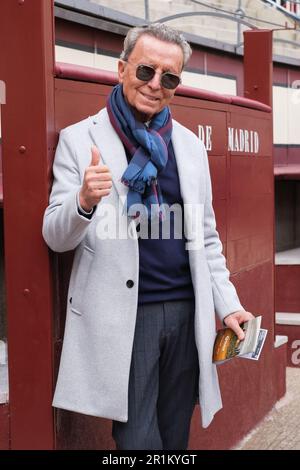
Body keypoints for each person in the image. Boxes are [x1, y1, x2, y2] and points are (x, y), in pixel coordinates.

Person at [43, 23, 253, 450]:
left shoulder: (190, 148)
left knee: (175, 433)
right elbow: (55, 237)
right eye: (145, 71)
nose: (156, 85)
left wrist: (228, 305)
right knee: (137, 437)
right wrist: (84, 200)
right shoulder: (80, 140)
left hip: (185, 311)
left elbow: (207, 240)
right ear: (122, 69)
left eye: (169, 77)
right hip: (126, 316)